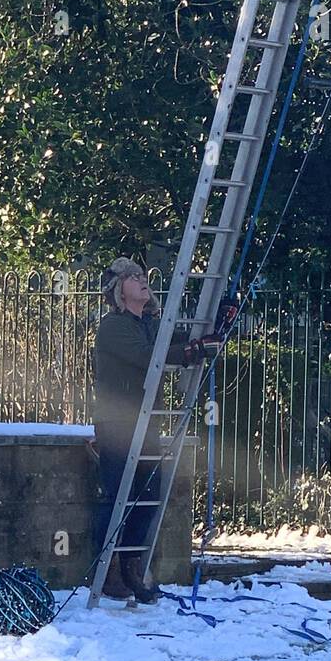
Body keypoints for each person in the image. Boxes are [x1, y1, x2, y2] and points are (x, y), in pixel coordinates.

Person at [91, 257, 201, 603]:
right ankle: (106, 570)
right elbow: (148, 357)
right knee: (116, 495)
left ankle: (131, 566)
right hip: (118, 422)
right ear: (118, 291)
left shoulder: (150, 323)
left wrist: (208, 335)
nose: (142, 281)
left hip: (145, 420)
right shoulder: (114, 327)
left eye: (142, 275)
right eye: (132, 277)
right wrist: (188, 352)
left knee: (148, 492)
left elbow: (176, 339)